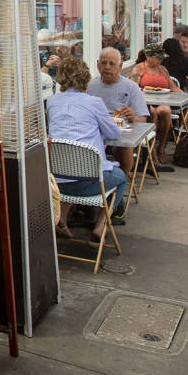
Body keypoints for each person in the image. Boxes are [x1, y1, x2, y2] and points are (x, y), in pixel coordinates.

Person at [47, 56, 127, 241]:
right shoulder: (94, 103)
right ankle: (101, 226)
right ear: (86, 78)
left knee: (70, 167)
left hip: (57, 182)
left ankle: (62, 219)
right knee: (121, 177)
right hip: (89, 183)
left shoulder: (52, 102)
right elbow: (113, 134)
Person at [87, 47, 149, 182]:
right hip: (96, 131)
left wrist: (133, 117)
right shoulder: (91, 85)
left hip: (122, 130)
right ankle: (93, 183)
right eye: (103, 63)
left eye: (112, 64)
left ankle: (122, 181)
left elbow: (143, 120)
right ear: (98, 65)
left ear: (120, 66)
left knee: (123, 148)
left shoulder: (131, 87)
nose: (107, 67)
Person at [129, 42, 175, 172]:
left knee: (166, 111)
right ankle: (152, 154)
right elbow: (133, 89)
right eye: (158, 57)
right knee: (152, 114)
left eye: (161, 58)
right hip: (144, 103)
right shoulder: (139, 69)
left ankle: (162, 148)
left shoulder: (163, 70)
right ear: (149, 56)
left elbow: (173, 87)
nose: (160, 60)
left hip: (161, 101)